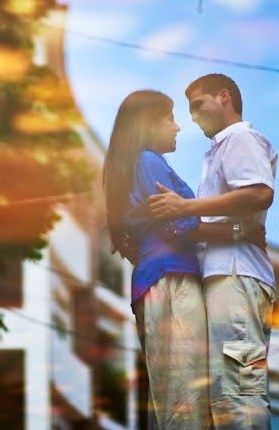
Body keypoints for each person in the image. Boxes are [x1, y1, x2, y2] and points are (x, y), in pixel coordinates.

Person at [147, 73, 278, 430]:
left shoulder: (240, 137)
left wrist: (184, 209)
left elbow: (259, 193)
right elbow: (236, 226)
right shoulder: (221, 148)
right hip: (229, 277)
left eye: (197, 105)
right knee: (227, 394)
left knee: (238, 395)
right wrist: (240, 230)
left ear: (224, 97)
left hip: (237, 278)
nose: (191, 116)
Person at [103, 89, 225, 429]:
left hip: (157, 282)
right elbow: (179, 224)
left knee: (171, 395)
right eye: (169, 118)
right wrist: (235, 233)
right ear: (148, 124)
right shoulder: (148, 162)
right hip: (173, 281)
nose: (177, 127)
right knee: (187, 393)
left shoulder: (135, 165)